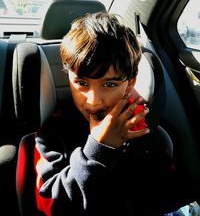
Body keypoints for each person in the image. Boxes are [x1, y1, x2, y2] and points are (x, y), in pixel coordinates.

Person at [34, 12, 186, 216]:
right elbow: (51, 205)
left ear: (129, 84)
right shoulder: (52, 133)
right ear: (68, 78)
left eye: (110, 84)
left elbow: (166, 198)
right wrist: (98, 150)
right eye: (82, 83)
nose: (94, 100)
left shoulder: (144, 132)